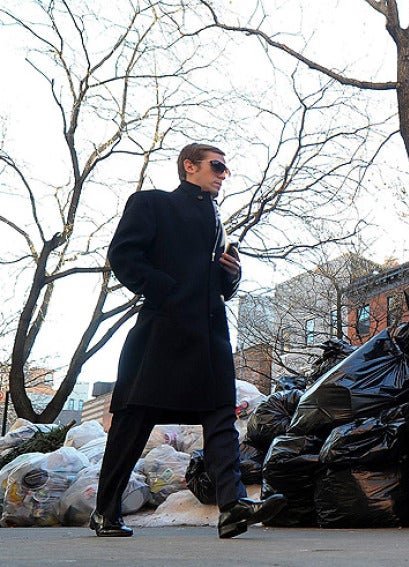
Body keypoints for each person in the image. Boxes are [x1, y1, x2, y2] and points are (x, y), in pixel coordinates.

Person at [93, 143, 285, 538]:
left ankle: (232, 507)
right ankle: (105, 512)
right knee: (133, 422)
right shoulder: (152, 204)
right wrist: (167, 291)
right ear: (189, 166)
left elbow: (217, 285)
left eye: (226, 169)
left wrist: (230, 275)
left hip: (209, 336)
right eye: (217, 166)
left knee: (220, 418)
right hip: (160, 334)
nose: (223, 174)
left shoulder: (216, 221)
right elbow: (124, 256)